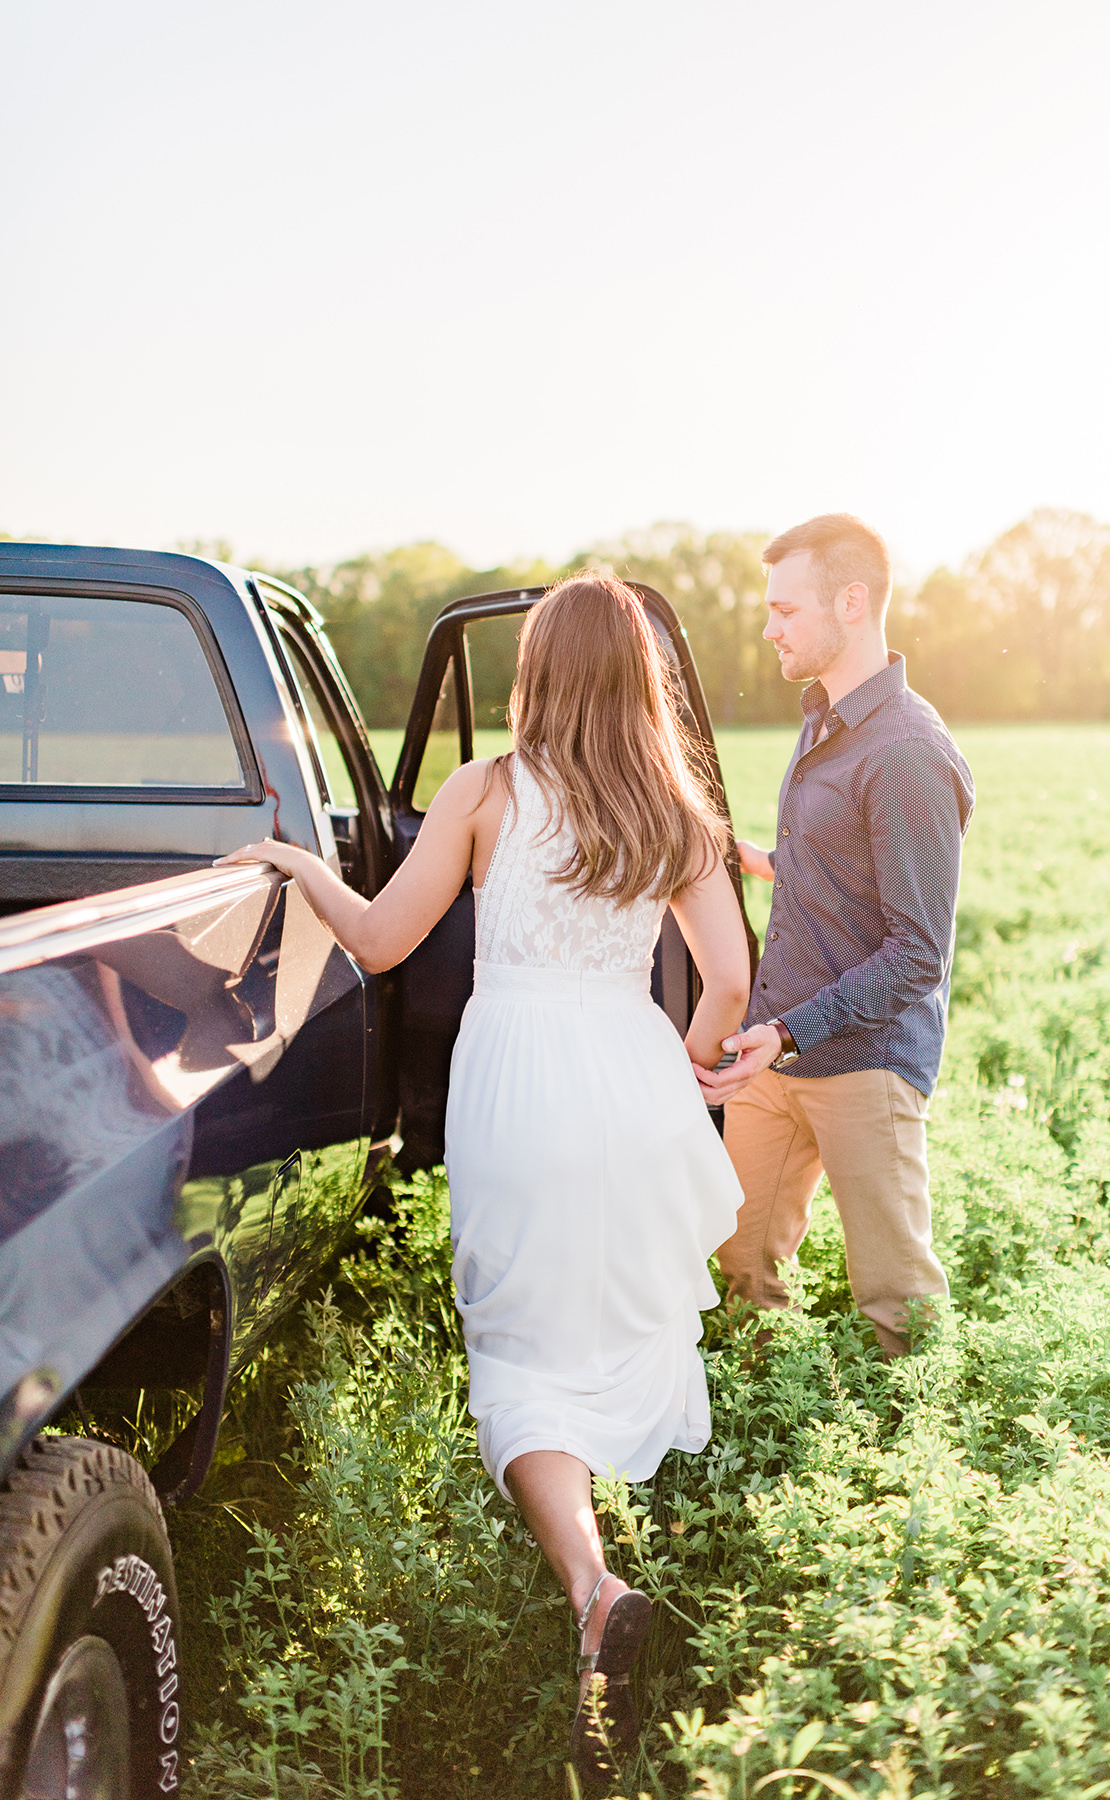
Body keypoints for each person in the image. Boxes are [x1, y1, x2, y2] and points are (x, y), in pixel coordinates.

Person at [220, 574, 749, 1782]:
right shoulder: (678, 805)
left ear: (538, 673)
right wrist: (681, 1070)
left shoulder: (485, 791)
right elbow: (723, 984)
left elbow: (379, 941)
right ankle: (606, 1569)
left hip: (516, 1082)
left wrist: (303, 866)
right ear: (642, 679)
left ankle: (591, 1586)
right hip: (629, 1073)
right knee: (613, 1318)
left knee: (515, 1349)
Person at [695, 515, 974, 1358]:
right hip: (777, 1058)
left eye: (784, 610)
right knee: (738, 1265)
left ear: (850, 602)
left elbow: (915, 953)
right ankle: (769, 1438)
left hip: (865, 1064)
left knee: (896, 1305)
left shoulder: (907, 754)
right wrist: (756, 860)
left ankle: (917, 1462)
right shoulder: (822, 716)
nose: (769, 628)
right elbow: (843, 859)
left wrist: (784, 1031)